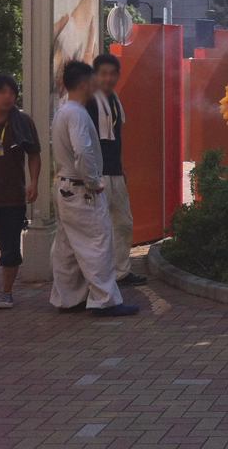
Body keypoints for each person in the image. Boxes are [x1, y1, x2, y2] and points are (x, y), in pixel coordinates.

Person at [49, 61, 138, 317]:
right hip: (81, 189)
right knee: (97, 242)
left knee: (68, 248)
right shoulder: (76, 113)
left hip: (66, 187)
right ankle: (105, 299)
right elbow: (83, 150)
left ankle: (68, 298)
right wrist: (93, 181)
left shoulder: (65, 110)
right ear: (84, 83)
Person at [0, 74, 41, 309]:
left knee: (10, 248)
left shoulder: (23, 122)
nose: (8, 96)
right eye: (3, 92)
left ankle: (6, 292)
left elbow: (34, 154)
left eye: (12, 92)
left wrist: (33, 183)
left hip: (12, 198)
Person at [85, 54, 146, 285]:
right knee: (97, 229)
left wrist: (122, 170)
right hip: (96, 175)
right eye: (103, 73)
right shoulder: (89, 101)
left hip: (115, 172)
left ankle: (120, 272)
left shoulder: (114, 99)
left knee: (123, 223)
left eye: (112, 73)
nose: (108, 78)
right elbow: (85, 143)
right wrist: (89, 175)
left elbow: (116, 139)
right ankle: (97, 276)